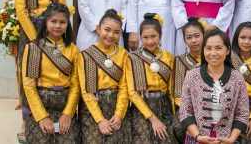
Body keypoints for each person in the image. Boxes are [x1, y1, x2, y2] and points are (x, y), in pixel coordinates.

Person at [13, 0, 66, 141]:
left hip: (54, 32)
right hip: (32, 36)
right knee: (30, 78)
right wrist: (37, 39)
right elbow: (21, 12)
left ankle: (54, 116)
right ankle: (27, 121)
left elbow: (62, 8)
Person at [21, 3, 80, 143]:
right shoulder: (34, 48)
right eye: (53, 21)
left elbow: (75, 85)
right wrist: (42, 116)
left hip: (64, 104)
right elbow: (29, 85)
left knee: (69, 139)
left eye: (62, 22)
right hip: (41, 103)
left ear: (67, 25)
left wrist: (67, 114)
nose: (58, 26)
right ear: (46, 22)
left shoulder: (73, 50)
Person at [179, 29, 249, 143]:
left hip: (227, 140)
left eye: (218, 48)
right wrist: (198, 136)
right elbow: (185, 111)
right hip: (197, 139)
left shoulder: (237, 78)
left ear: (227, 50)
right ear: (203, 50)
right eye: (208, 48)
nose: (213, 53)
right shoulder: (192, 76)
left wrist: (231, 139)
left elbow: (243, 114)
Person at [78, 9, 132, 143]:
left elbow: (124, 87)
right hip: (93, 109)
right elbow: (87, 91)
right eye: (107, 30)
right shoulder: (86, 55)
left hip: (117, 107)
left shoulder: (124, 55)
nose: (110, 35)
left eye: (116, 32)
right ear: (98, 29)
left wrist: (119, 115)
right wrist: (100, 120)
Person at [126, 13, 178, 143]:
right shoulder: (132, 58)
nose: (150, 41)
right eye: (145, 37)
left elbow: (171, 90)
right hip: (142, 108)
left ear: (160, 36)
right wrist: (153, 119)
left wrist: (173, 113)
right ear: (140, 38)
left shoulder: (169, 57)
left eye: (154, 36)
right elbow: (132, 93)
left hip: (164, 106)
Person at [171, 17, 205, 142]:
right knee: (177, 127)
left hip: (211, 106)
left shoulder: (212, 58)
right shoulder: (180, 60)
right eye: (189, 37)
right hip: (186, 107)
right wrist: (192, 110)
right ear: (184, 40)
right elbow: (178, 93)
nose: (194, 40)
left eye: (197, 36)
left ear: (204, 35)